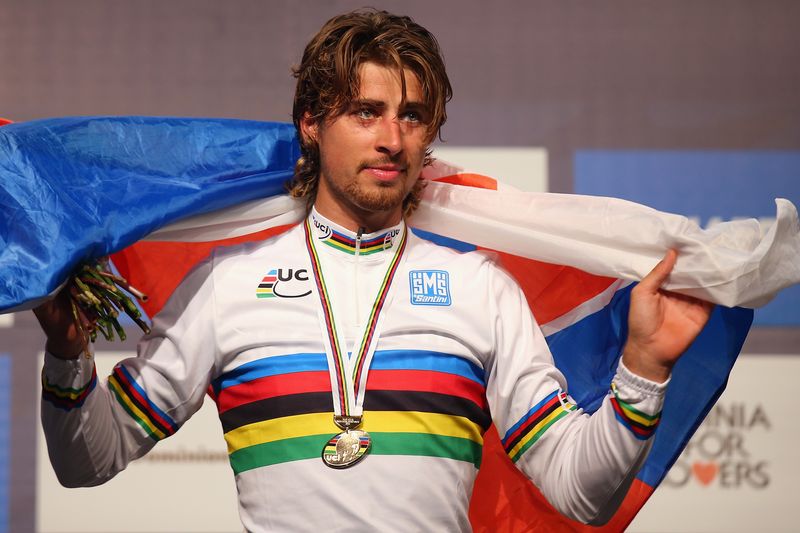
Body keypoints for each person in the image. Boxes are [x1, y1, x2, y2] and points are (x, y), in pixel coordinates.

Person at [33, 9, 713, 532]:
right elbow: (87, 461)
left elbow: (581, 493)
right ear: (310, 122)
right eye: (366, 111)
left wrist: (643, 368)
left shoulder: (482, 290)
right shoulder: (229, 284)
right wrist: (67, 352)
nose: (392, 138)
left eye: (413, 116)